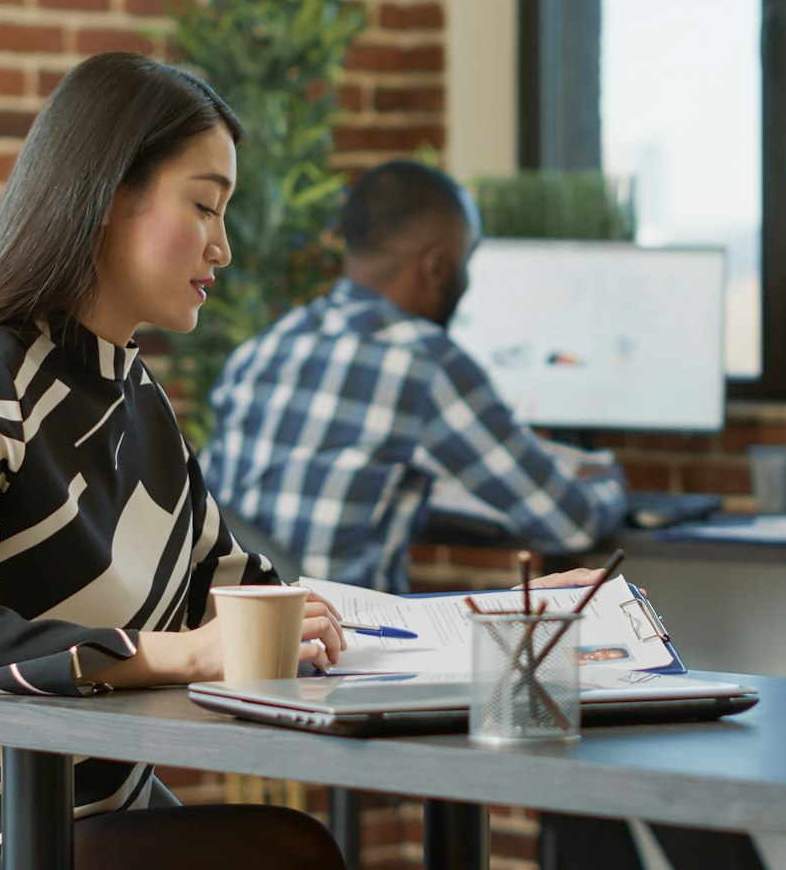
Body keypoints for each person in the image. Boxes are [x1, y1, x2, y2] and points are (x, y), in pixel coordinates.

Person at [0, 54, 368, 870]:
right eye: (204, 204)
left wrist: (490, 620)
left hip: (72, 814)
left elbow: (257, 601)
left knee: (293, 857)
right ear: (106, 197)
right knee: (288, 864)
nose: (224, 246)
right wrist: (177, 656)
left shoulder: (137, 401)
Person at [202, 160, 627, 594]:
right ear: (438, 266)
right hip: (343, 643)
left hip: (236, 639)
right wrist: (606, 481)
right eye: (468, 261)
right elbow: (570, 523)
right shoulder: (426, 363)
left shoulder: (262, 348)